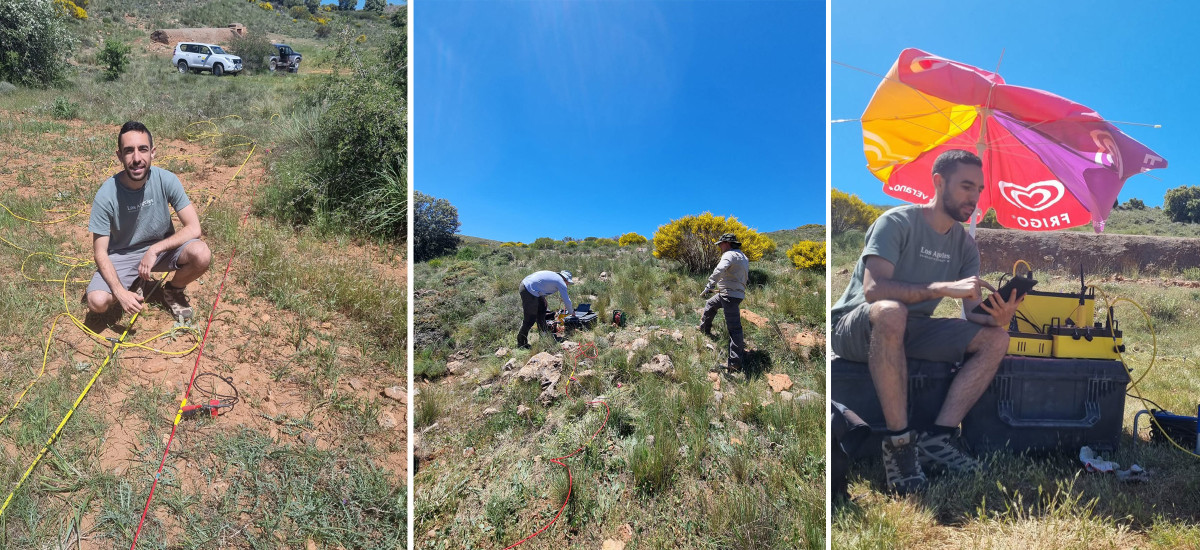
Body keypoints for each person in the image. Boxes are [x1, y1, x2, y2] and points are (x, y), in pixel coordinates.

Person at [830, 149, 1021, 494]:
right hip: (856, 326)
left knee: (996, 340)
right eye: (965, 186)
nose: (974, 197)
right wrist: (942, 288)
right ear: (938, 182)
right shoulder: (897, 222)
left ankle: (938, 440)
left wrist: (998, 317)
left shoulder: (966, 246)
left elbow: (972, 311)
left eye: (979, 189)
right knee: (891, 311)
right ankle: (900, 448)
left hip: (911, 328)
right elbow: (875, 290)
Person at [85, 121, 212, 322]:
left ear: (152, 152)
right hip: (123, 254)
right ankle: (131, 283)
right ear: (119, 156)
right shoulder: (106, 195)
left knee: (201, 253)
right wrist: (119, 292)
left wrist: (154, 250)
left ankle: (173, 291)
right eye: (128, 151)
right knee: (97, 301)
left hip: (161, 252)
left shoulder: (166, 179)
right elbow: (100, 252)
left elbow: (194, 227)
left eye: (142, 149)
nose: (136, 158)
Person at [698, 233, 749, 372]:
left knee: (734, 329)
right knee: (710, 304)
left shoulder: (729, 255)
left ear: (727, 243)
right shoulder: (743, 256)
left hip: (729, 295)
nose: (719, 246)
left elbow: (719, 269)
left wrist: (710, 284)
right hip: (734, 294)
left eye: (721, 244)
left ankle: (734, 363)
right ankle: (704, 330)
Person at [517, 269, 575, 349]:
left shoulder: (554, 277)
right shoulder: (560, 281)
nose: (567, 284)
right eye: (568, 282)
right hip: (528, 289)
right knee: (530, 319)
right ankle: (521, 344)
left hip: (528, 286)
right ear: (565, 279)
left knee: (542, 309)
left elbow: (540, 286)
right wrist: (572, 312)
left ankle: (544, 336)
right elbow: (566, 300)